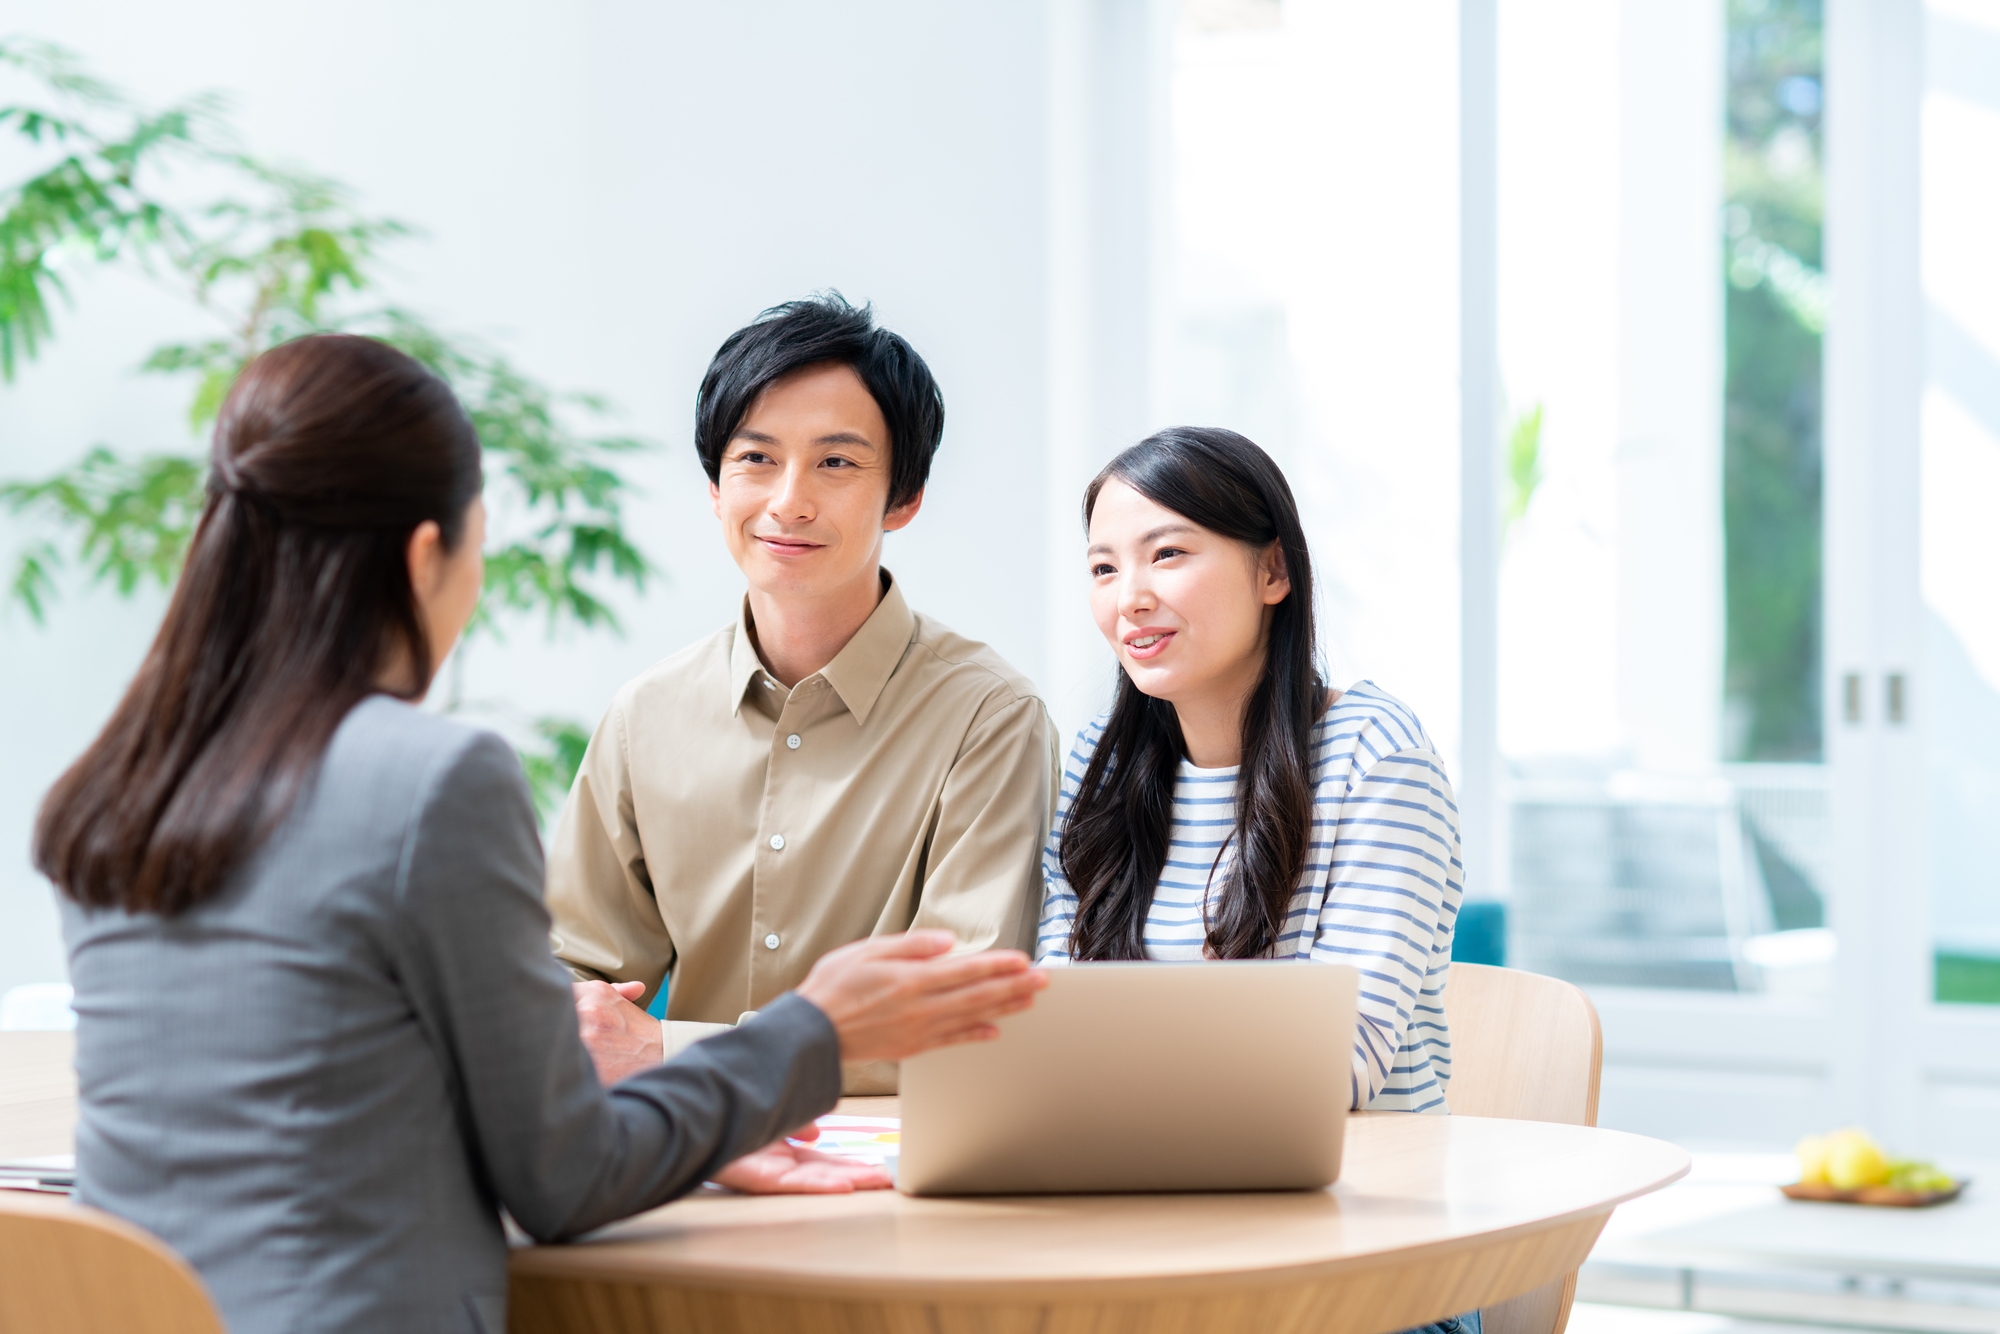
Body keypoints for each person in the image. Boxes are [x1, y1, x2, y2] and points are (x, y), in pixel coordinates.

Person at [37, 334, 1046, 1334]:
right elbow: (562, 1166)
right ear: (426, 551)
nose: (790, 495)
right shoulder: (440, 777)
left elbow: (367, 1072)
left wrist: (685, 1098)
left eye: (835, 459)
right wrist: (800, 1038)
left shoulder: (110, 787)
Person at [549, 294, 1058, 1094]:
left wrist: (664, 1049)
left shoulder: (988, 718)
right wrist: (576, 1016)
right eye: (755, 459)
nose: (789, 499)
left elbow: (956, 1015)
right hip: (688, 1161)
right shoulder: (645, 716)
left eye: (836, 462)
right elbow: (572, 974)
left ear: (905, 497)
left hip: (896, 1171)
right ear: (715, 486)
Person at [1037, 425, 1472, 1334]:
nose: (1132, 598)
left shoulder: (1373, 758)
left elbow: (1337, 1067)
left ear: (1273, 572)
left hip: (1364, 1273)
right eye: (1104, 568)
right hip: (1145, 1248)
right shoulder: (1100, 771)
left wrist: (1112, 1083)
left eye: (1169, 554)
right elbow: (1050, 1031)